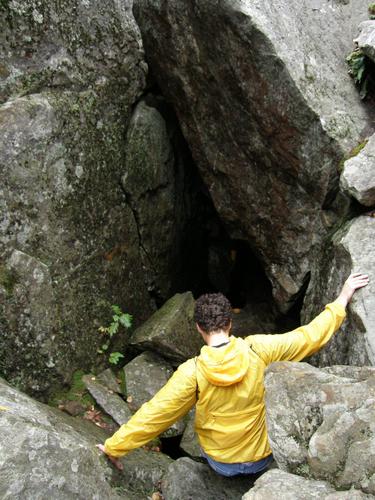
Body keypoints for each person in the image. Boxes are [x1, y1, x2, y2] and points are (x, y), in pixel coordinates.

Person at [97, 273, 369, 475]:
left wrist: (114, 447)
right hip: (261, 457)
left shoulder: (191, 373)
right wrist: (343, 297)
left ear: (198, 328)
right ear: (230, 322)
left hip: (220, 463)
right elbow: (309, 337)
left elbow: (155, 415)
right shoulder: (259, 349)